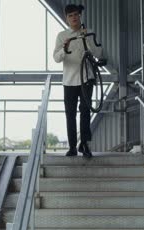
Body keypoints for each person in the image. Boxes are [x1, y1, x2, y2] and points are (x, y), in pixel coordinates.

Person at [53, 4, 102, 158]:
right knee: (70, 114)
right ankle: (73, 147)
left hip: (86, 78)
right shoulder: (62, 36)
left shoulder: (89, 32)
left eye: (76, 15)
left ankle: (85, 145)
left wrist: (87, 39)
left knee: (86, 112)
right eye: (70, 16)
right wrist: (65, 48)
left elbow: (99, 53)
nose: (74, 18)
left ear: (80, 16)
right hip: (69, 80)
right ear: (67, 19)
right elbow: (56, 58)